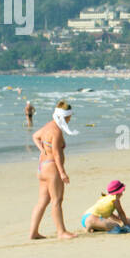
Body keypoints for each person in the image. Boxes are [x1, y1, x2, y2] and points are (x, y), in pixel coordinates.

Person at [29, 101, 78, 240]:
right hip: (52, 169)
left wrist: (42, 149)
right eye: (69, 117)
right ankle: (61, 232)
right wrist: (62, 173)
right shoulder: (56, 131)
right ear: (65, 117)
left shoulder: (48, 126)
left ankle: (33, 232)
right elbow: (56, 154)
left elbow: (35, 136)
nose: (70, 119)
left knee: (42, 201)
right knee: (57, 200)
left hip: (42, 167)